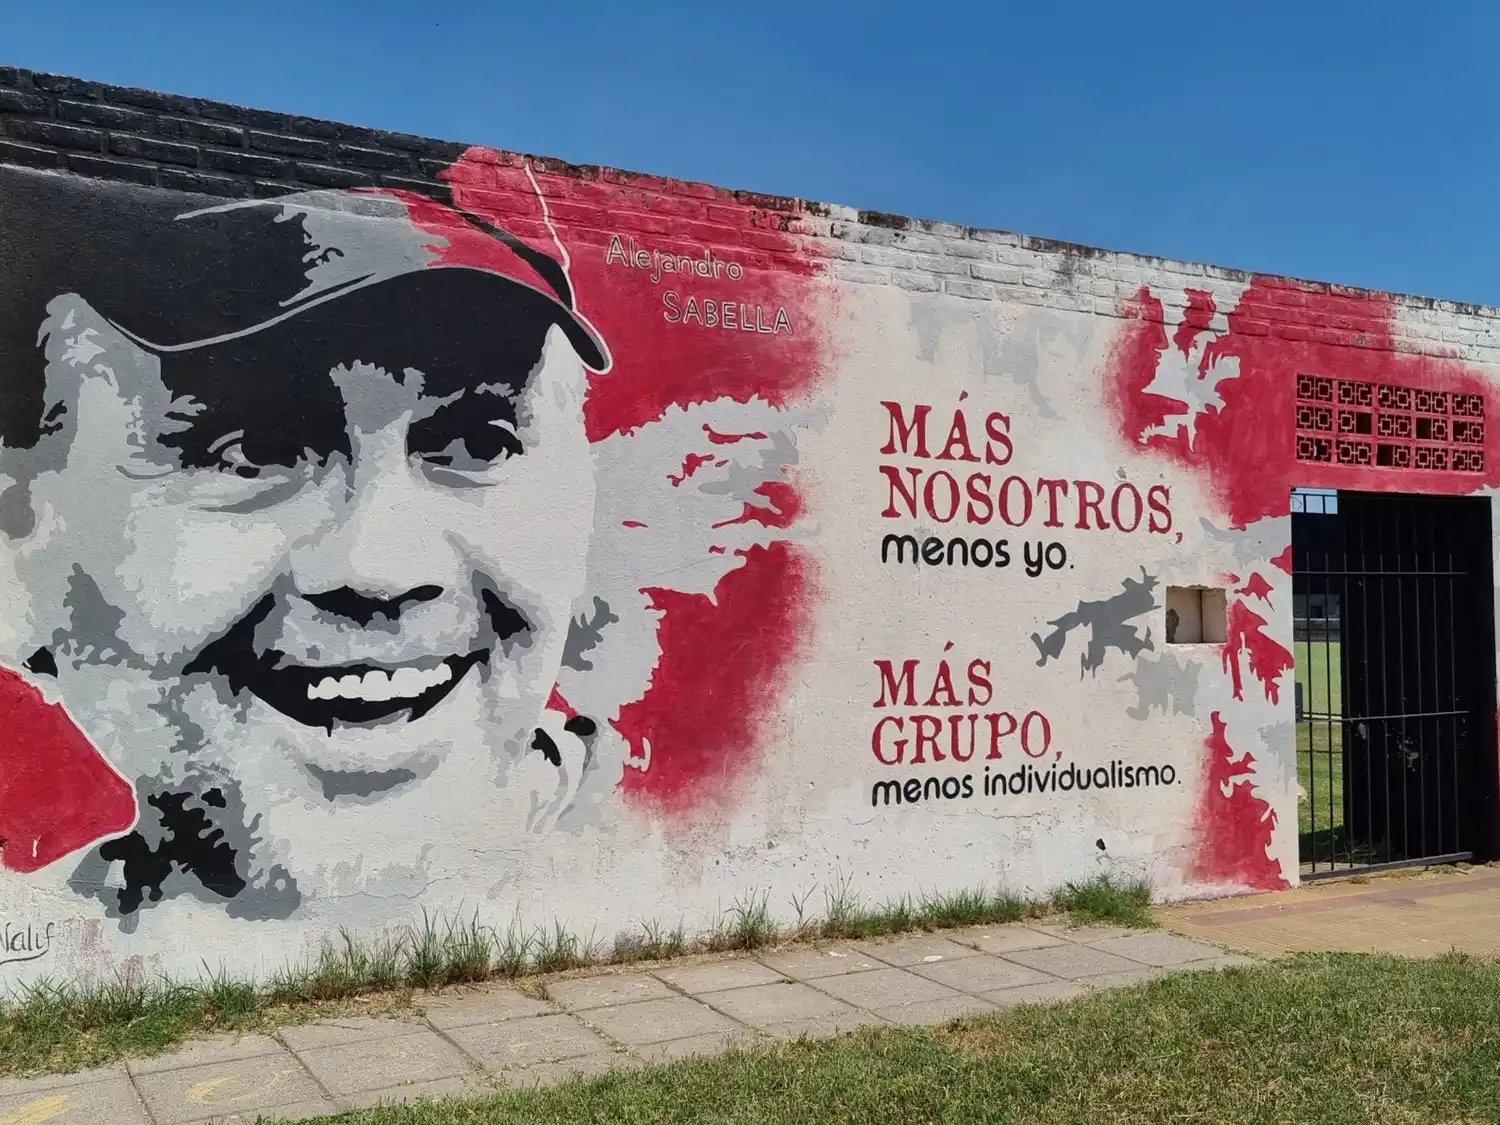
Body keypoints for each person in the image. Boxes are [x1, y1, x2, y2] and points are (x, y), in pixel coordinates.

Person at [0, 167, 619, 924]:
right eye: (249, 453)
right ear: (16, 557)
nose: (380, 568)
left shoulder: (661, 848)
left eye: (474, 440)